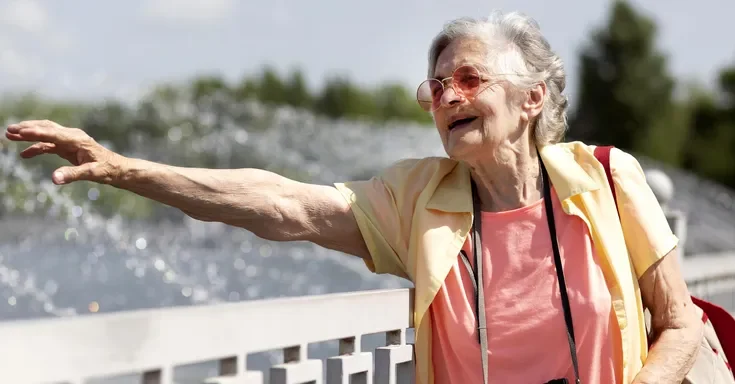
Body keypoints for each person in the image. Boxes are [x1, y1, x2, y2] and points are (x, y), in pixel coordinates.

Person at [4, 11, 703, 384]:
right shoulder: (420, 201)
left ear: (530, 99)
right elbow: (280, 203)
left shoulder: (605, 179)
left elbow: (678, 323)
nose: (447, 97)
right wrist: (124, 168)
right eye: (435, 89)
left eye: (467, 78)